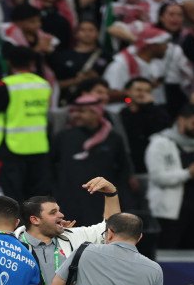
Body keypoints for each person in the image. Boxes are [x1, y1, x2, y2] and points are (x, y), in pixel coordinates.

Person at [145, 104, 194, 250]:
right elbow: (157, 177)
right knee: (166, 256)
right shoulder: (159, 143)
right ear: (181, 120)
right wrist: (188, 173)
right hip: (168, 214)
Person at [52, 94, 133, 226]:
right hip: (70, 196)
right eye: (75, 111)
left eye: (82, 112)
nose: (76, 115)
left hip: (101, 198)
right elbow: (51, 166)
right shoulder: (64, 137)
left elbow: (123, 168)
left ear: (96, 113)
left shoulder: (113, 138)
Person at [0, 46, 52, 201]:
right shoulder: (44, 84)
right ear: (32, 63)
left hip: (11, 147)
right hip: (38, 145)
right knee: (36, 198)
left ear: (9, 62)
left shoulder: (5, 85)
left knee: (10, 197)